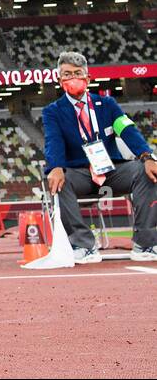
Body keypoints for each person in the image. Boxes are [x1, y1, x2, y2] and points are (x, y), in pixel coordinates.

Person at [42, 51, 157, 263]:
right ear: (59, 80)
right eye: (67, 74)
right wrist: (55, 166)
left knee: (146, 171)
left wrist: (147, 156)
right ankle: (83, 245)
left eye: (77, 73)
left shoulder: (108, 104)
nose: (72, 78)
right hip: (79, 175)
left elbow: (128, 130)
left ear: (88, 78)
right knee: (58, 179)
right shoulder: (53, 111)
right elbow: (53, 141)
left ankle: (145, 243)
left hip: (112, 172)